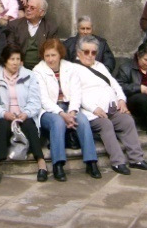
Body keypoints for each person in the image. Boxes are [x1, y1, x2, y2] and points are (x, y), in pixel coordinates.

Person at [74, 35, 147, 175]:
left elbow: (115, 85)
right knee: (106, 125)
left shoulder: (100, 66)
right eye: (86, 52)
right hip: (92, 113)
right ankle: (118, 162)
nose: (90, 55)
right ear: (79, 53)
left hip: (111, 109)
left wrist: (121, 100)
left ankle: (136, 159)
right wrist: (94, 108)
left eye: (93, 52)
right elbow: (76, 95)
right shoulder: (73, 70)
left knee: (127, 120)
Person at [33, 38, 100, 182]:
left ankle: (91, 162)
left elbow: (76, 93)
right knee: (57, 122)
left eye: (53, 55)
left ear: (60, 55)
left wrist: (72, 112)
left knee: (82, 120)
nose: (50, 59)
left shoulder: (70, 68)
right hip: (48, 110)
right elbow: (43, 99)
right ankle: (58, 164)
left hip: (69, 107)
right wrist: (62, 114)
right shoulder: (38, 70)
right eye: (47, 56)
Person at [0, 44, 48, 183]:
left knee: (29, 124)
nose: (15, 62)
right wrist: (4, 113)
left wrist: (26, 113)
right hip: (5, 116)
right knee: (3, 124)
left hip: (23, 115)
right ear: (5, 60)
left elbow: (35, 100)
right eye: (12, 59)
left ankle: (41, 163)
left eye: (18, 59)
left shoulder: (29, 75)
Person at [6, 0, 58, 70]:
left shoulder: (50, 28)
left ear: (41, 12)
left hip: (43, 68)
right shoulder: (14, 25)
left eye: (32, 8)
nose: (28, 9)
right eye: (27, 6)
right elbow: (11, 48)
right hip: (19, 67)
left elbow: (53, 50)